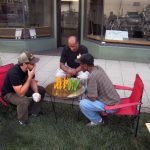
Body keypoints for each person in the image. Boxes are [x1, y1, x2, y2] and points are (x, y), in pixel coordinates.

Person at [2, 51, 45, 125]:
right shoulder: (14, 73)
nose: (34, 65)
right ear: (25, 64)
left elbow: (32, 81)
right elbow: (21, 94)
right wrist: (29, 77)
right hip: (9, 93)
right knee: (24, 100)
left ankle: (33, 111)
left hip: (21, 88)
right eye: (32, 63)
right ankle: (21, 120)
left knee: (41, 90)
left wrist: (36, 92)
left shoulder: (29, 69)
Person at [77, 53, 120, 126]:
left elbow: (93, 98)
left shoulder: (93, 76)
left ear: (85, 66)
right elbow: (90, 81)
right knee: (87, 92)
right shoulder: (97, 68)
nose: (79, 66)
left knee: (82, 103)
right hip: (114, 100)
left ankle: (99, 121)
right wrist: (79, 82)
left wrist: (83, 93)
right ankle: (100, 113)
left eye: (80, 64)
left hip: (112, 106)